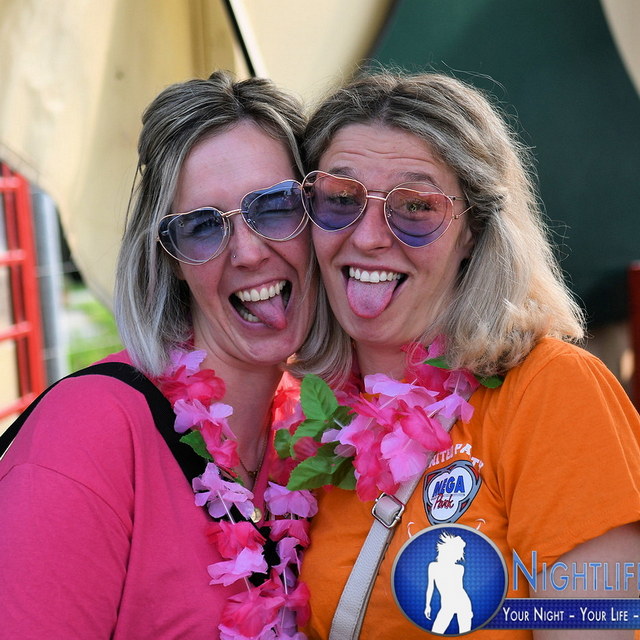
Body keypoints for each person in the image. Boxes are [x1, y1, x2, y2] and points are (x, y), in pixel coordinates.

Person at [292, 71, 640, 639]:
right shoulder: (307, 417)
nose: (370, 236)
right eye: (341, 199)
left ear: (474, 230)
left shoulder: (552, 392)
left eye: (415, 206)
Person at [0, 71, 318, 639]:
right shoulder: (89, 429)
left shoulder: (309, 433)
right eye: (202, 226)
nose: (248, 252)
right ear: (169, 258)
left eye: (274, 206)